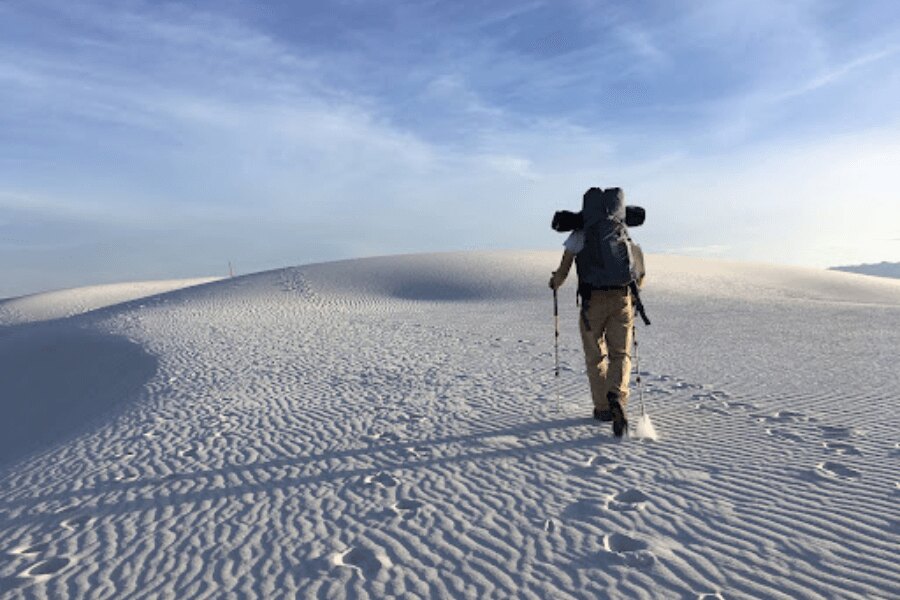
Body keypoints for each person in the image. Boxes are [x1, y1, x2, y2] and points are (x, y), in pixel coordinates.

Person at [548, 187, 639, 437]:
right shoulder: (620, 229)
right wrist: (634, 293)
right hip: (622, 298)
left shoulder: (580, 233)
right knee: (620, 354)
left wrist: (554, 282)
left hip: (592, 302)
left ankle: (602, 408)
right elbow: (637, 266)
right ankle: (617, 395)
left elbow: (563, 270)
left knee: (595, 355)